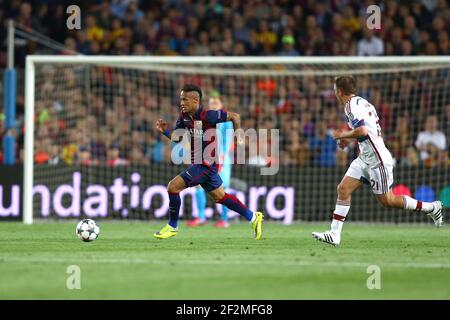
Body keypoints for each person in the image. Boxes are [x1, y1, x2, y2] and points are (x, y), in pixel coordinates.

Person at [312, 76, 444, 246]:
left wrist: (342, 135)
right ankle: (334, 234)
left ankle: (431, 207)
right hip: (365, 157)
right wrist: (349, 139)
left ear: (339, 92)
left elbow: (363, 131)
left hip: (377, 160)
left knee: (388, 201)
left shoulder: (350, 106)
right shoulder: (363, 102)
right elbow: (365, 132)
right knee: (343, 189)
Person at [154, 84, 263, 240]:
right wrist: (165, 131)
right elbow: (178, 137)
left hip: (206, 164)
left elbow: (235, 117)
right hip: (202, 164)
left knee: (173, 187)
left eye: (185, 99)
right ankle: (253, 217)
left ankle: (172, 226)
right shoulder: (184, 117)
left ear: (195, 100)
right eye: (180, 99)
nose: (182, 103)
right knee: (220, 197)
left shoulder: (208, 115)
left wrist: (238, 135)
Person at [187, 91, 234, 228]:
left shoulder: (226, 121)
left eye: (216, 102)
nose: (213, 104)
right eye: (211, 102)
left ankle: (224, 220)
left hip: (221, 159)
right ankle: (201, 217)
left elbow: (227, 142)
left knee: (221, 189)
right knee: (198, 185)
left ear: (221, 104)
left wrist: (221, 158)